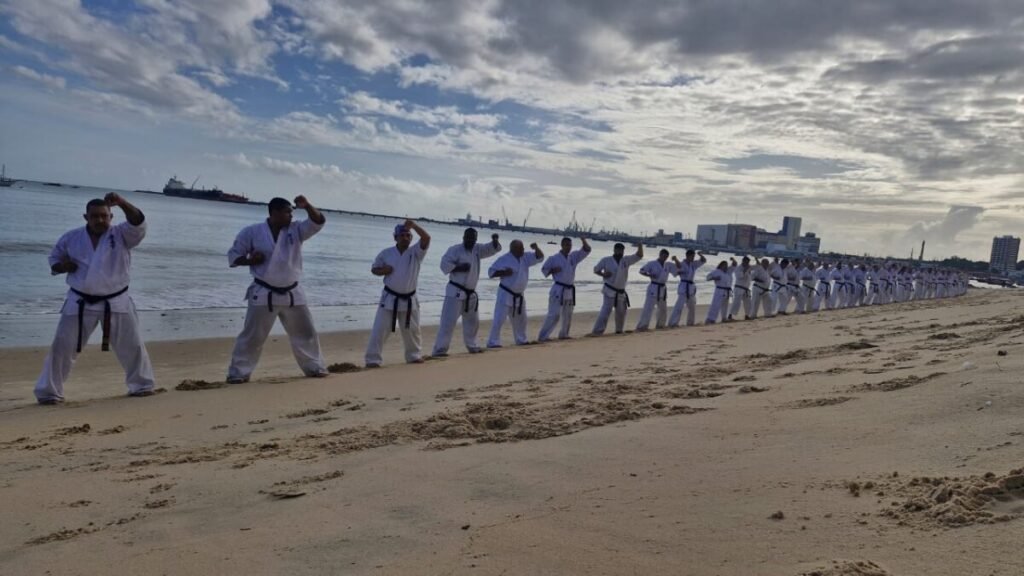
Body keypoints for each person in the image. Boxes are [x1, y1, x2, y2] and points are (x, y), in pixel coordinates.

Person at [35, 193, 155, 404]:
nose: (100, 220)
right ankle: (49, 392)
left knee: (132, 346)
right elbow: (54, 259)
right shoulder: (71, 237)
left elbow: (138, 222)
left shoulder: (122, 235)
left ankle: (142, 385)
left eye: (104, 216)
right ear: (86, 217)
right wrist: (63, 267)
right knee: (62, 347)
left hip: (116, 300)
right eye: (94, 216)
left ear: (111, 216)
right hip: (80, 301)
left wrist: (123, 203)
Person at [227, 196, 328, 383]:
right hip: (263, 292)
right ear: (274, 213)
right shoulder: (252, 232)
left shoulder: (296, 230)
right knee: (253, 336)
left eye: (292, 212)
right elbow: (234, 256)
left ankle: (315, 367)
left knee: (306, 333)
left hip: (293, 292)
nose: (291, 215)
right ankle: (238, 373)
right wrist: (250, 260)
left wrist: (307, 206)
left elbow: (318, 221)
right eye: (287, 212)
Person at [365, 220, 431, 367]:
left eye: (408, 235)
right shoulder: (386, 253)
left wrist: (413, 226)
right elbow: (374, 269)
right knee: (380, 329)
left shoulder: (416, 253)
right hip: (390, 298)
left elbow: (426, 238)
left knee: (412, 330)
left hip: (409, 298)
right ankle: (372, 359)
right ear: (395, 237)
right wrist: (384, 271)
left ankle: (414, 355)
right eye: (402, 235)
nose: (405, 237)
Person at [432, 229, 501, 357]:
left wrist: (495, 241)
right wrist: (458, 267)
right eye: (468, 238)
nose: (471, 241)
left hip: (471, 294)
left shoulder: (477, 250)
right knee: (448, 322)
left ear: (476, 239)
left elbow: (490, 249)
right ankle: (439, 350)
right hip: (455, 292)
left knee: (473, 322)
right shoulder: (455, 250)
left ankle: (472, 346)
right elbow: (444, 265)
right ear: (463, 237)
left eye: (473, 239)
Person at [487, 240, 544, 347]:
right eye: (520, 249)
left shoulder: (525, 258)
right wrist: (504, 272)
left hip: (519, 295)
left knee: (522, 319)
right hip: (505, 293)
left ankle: (521, 340)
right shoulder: (504, 259)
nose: (523, 250)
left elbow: (540, 257)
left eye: (523, 248)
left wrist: (536, 248)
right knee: (499, 319)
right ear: (513, 249)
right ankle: (492, 342)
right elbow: (491, 272)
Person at [538, 237, 591, 341]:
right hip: (558, 289)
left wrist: (583, 240)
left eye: (570, 245)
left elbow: (587, 249)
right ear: (562, 245)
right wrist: (553, 270)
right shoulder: (553, 258)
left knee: (568, 314)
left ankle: (564, 334)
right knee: (554, 314)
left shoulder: (573, 257)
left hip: (569, 289)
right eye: (566, 245)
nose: (568, 247)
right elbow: (544, 271)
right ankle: (543, 336)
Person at [592, 243, 644, 335]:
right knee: (605, 312)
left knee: (621, 313)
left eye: (622, 250)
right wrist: (603, 274)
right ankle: (597, 331)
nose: (620, 252)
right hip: (609, 289)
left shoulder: (626, 260)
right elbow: (596, 270)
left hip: (620, 291)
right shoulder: (606, 260)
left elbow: (639, 255)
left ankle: (619, 330)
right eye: (618, 250)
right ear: (614, 250)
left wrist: (639, 245)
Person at [636, 249, 673, 331]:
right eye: (663, 256)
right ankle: (642, 326)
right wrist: (649, 274)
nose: (664, 258)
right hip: (653, 287)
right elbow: (641, 271)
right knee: (648, 308)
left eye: (666, 257)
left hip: (662, 289)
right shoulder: (652, 263)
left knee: (663, 309)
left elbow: (677, 270)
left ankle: (660, 325)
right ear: (660, 255)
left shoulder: (667, 265)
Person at [668, 249, 706, 327]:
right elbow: (678, 267)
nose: (693, 258)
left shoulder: (693, 264)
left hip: (691, 288)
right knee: (679, 306)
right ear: (687, 256)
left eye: (694, 256)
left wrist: (700, 254)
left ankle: (690, 322)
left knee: (692, 307)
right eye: (692, 256)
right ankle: (673, 323)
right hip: (683, 286)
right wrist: (675, 259)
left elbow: (703, 260)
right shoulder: (681, 263)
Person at [728, 256, 753, 320]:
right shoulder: (738, 268)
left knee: (748, 302)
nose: (747, 263)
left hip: (746, 288)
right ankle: (730, 315)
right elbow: (739, 276)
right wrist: (745, 270)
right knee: (736, 302)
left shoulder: (749, 268)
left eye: (748, 262)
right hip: (739, 288)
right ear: (743, 261)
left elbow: (750, 278)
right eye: (746, 262)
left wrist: (748, 270)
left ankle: (747, 315)